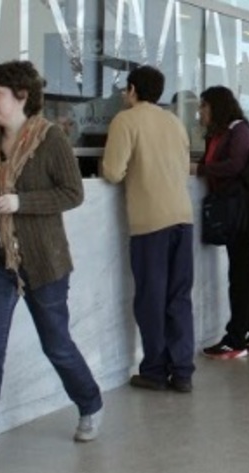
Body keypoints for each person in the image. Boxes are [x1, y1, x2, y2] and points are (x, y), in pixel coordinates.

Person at [0, 60, 103, 452]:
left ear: (21, 97)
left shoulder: (49, 138)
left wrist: (20, 201)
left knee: (55, 344)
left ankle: (90, 402)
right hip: (0, 259)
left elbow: (72, 193)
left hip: (45, 261)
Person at [102, 65, 195, 393]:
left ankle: (155, 371)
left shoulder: (125, 121)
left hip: (150, 223)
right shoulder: (174, 121)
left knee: (151, 299)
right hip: (183, 218)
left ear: (131, 90)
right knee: (179, 297)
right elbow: (184, 168)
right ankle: (182, 371)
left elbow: (113, 172)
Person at [198, 86, 249, 359]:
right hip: (237, 209)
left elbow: (236, 166)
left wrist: (203, 169)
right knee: (248, 272)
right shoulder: (221, 133)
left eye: (203, 106)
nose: (199, 112)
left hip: (245, 211)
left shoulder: (238, 129)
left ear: (216, 107)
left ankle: (236, 339)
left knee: (240, 276)